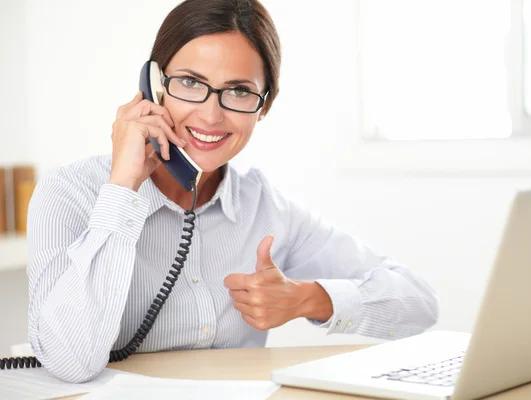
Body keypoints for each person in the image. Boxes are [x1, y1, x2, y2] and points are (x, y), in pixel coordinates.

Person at [26, 0, 438, 383]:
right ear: (155, 85)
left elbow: (419, 302)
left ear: (264, 106)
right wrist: (123, 188)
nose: (210, 114)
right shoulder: (70, 193)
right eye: (190, 82)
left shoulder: (265, 207)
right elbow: (69, 361)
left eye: (239, 91)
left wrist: (307, 299)